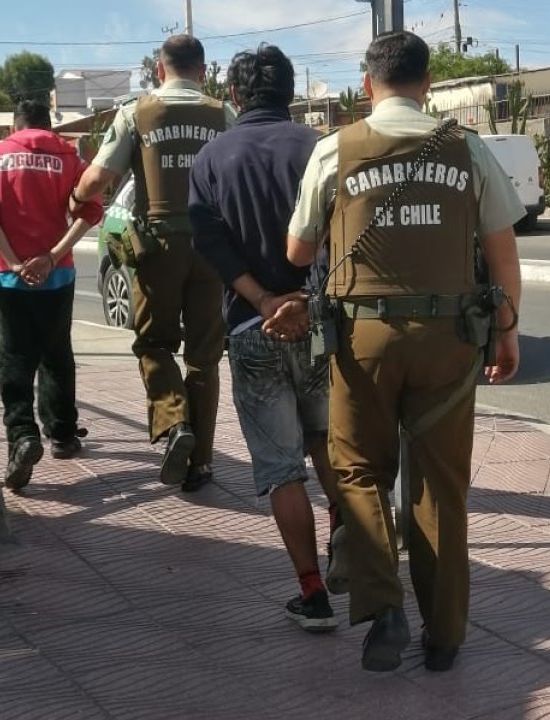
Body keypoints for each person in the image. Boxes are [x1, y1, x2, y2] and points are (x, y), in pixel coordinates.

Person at [286, 30, 524, 672]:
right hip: (450, 339)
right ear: (428, 83)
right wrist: (507, 330)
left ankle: (382, 606)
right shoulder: (467, 148)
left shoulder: (335, 149)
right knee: (441, 484)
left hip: (362, 339)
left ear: (367, 84)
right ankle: (443, 637)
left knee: (359, 468)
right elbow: (502, 252)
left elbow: (298, 251)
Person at [188, 45, 343, 633]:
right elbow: (337, 232)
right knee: (328, 442)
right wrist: (304, 299)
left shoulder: (211, 158)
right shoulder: (320, 148)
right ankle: (345, 541)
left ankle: (312, 593)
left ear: (233, 95)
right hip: (320, 326)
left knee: (281, 469)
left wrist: (263, 302)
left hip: (251, 330)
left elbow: (209, 240)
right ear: (291, 92)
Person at [72, 35, 236, 492]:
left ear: (159, 70)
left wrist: (75, 197)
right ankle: (201, 463)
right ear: (203, 71)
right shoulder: (223, 114)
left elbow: (98, 177)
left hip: (158, 250)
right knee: (204, 357)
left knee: (153, 343)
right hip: (211, 249)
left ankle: (174, 420)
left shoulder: (136, 113)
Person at [0, 100, 105, 491]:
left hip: (11, 278)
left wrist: (13, 262)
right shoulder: (69, 157)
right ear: (48, 125)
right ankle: (62, 434)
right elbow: (91, 211)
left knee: (14, 355)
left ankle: (22, 435)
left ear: (15, 126)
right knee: (56, 353)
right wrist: (51, 257)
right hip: (57, 274)